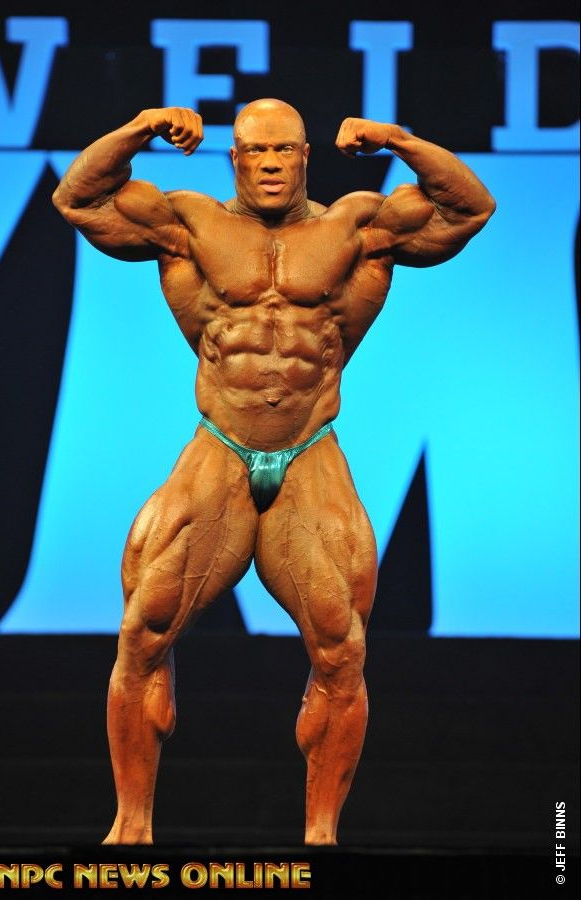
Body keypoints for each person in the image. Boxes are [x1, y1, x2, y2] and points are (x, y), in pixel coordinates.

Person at [52, 98, 495, 845]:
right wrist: (138, 128)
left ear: (304, 156)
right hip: (218, 450)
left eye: (283, 150)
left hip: (309, 453)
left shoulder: (356, 228)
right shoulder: (189, 224)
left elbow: (469, 208)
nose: (268, 165)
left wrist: (398, 140)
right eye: (255, 151)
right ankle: (131, 828)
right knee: (143, 631)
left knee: (341, 649)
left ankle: (321, 839)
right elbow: (79, 199)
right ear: (234, 159)